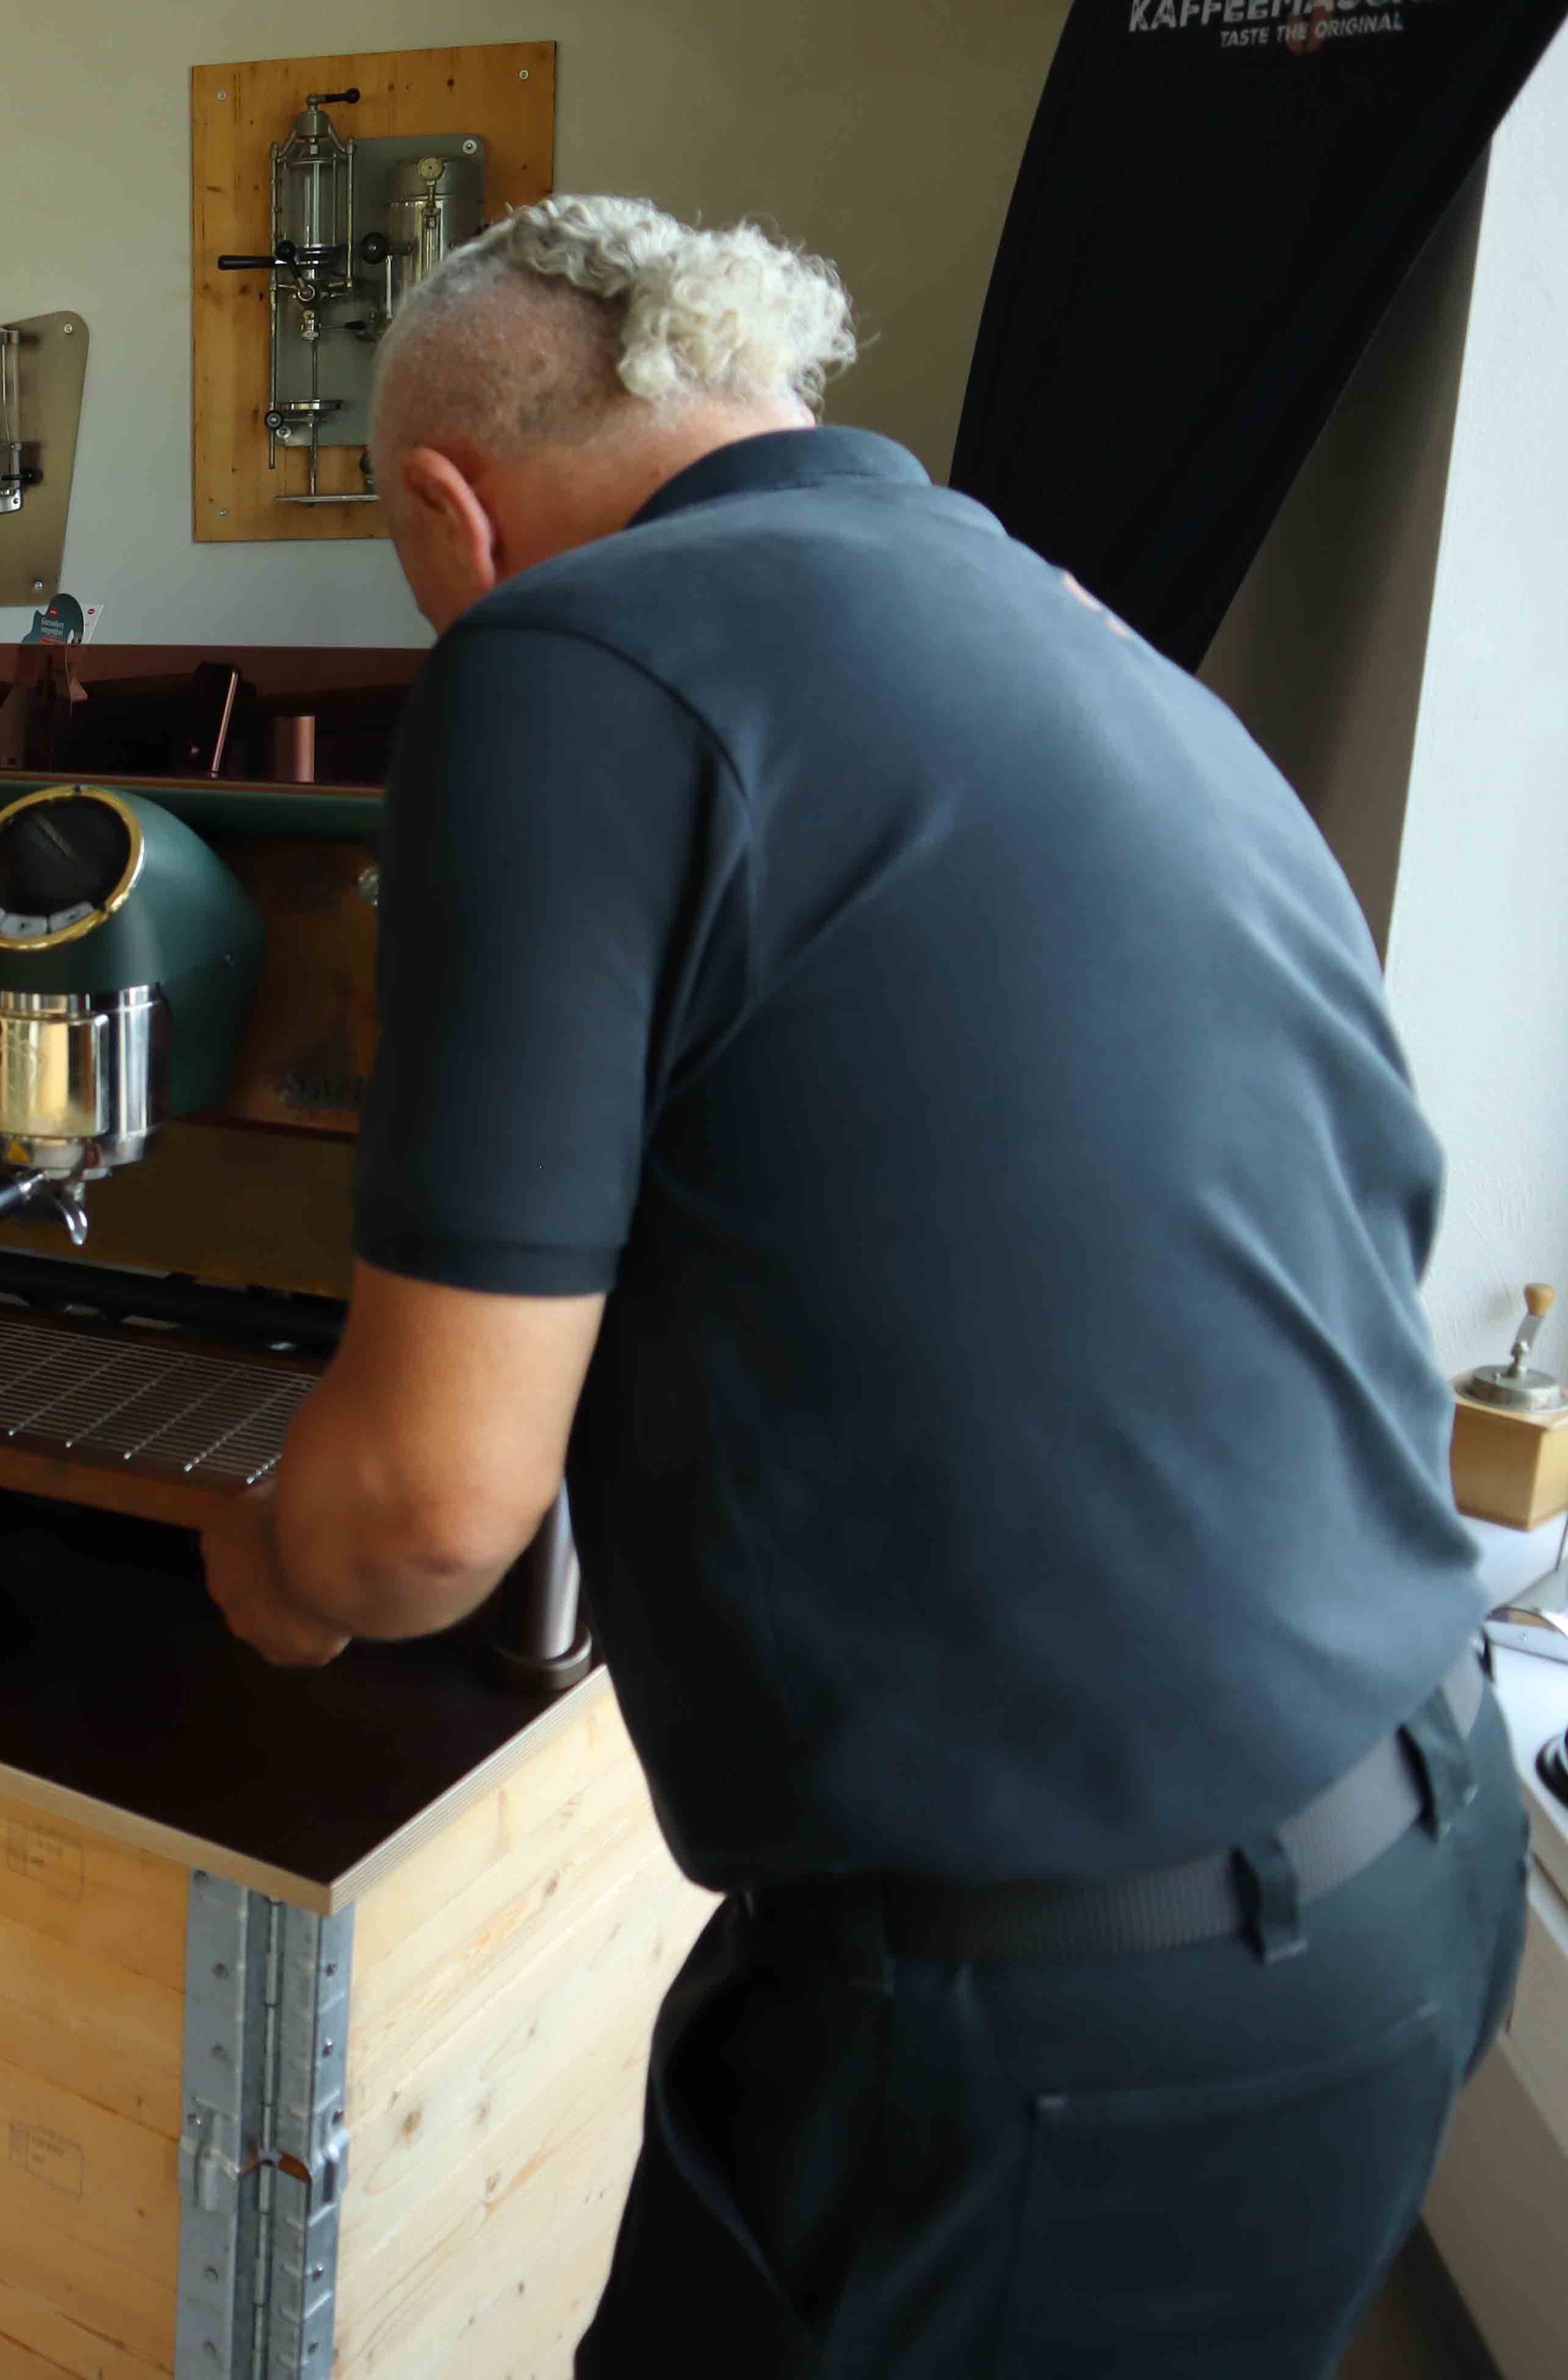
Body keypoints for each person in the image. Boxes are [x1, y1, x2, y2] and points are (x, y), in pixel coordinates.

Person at [198, 197, 1522, 2377]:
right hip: (1415, 1857)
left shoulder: (564, 657)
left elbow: (432, 1511)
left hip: (1068, 2023)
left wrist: (289, 1557)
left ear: (447, 507)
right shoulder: (1071, 621)